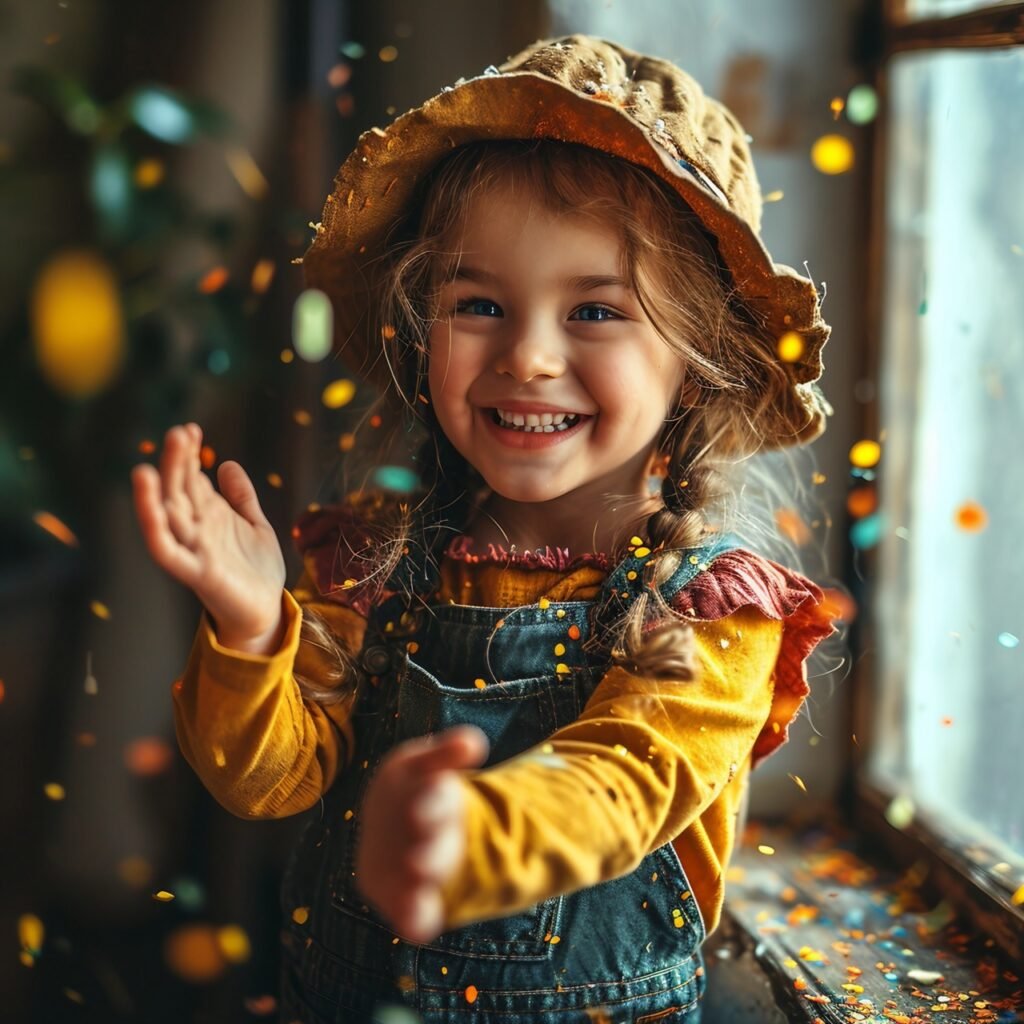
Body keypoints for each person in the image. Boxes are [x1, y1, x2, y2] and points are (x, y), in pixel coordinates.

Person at [132, 34, 838, 1024]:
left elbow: (618, 783)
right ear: (423, 329)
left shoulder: (709, 613)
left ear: (695, 356)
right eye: (479, 304)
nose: (530, 357)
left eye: (594, 310)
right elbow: (268, 780)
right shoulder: (371, 559)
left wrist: (465, 834)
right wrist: (251, 629)